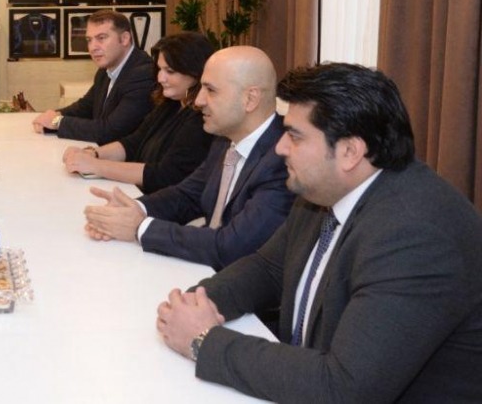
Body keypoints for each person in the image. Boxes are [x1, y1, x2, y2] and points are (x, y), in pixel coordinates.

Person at [156, 63, 482, 402]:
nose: (280, 147)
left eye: (295, 136)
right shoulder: (325, 190)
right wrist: (199, 301)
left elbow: (344, 388)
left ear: (349, 152)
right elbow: (268, 268)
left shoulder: (414, 235)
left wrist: (204, 341)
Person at [83, 46, 293, 269]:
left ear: (250, 99)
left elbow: (231, 246)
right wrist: (133, 209)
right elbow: (187, 195)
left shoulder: (285, 159)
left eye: (211, 90)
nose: (199, 100)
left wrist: (139, 228)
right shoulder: (225, 139)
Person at [62, 32, 214, 193]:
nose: (160, 78)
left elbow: (164, 175)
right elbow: (133, 143)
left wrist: (96, 166)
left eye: (169, 71)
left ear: (196, 73)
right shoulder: (170, 103)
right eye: (160, 69)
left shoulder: (201, 118)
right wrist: (92, 153)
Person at [32, 10, 154, 145]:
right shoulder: (106, 68)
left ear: (125, 39)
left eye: (101, 38)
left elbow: (110, 131)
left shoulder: (143, 74)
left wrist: (57, 122)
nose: (92, 47)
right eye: (89, 40)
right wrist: (54, 115)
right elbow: (85, 107)